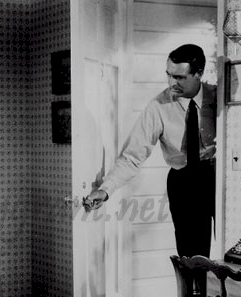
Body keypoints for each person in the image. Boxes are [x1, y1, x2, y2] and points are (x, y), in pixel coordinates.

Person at [85, 43, 216, 260]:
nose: (171, 83)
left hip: (219, 177)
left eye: (179, 77)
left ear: (199, 73)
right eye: (169, 75)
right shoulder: (158, 106)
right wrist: (105, 189)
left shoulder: (218, 96)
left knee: (233, 242)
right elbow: (133, 156)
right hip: (184, 182)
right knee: (192, 257)